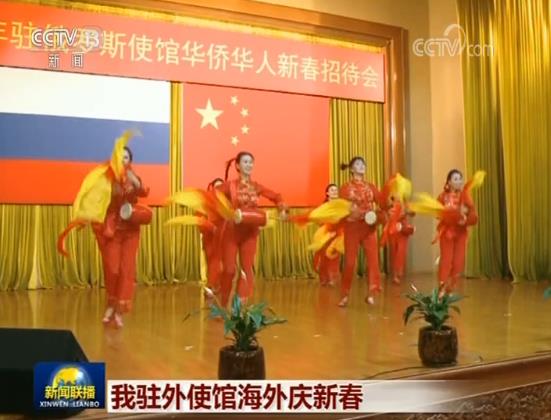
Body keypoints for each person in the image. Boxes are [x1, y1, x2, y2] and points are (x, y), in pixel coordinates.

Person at [217, 151, 287, 306]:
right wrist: (226, 211)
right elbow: (213, 196)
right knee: (229, 270)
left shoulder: (256, 187)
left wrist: (282, 208)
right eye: (245, 162)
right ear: (237, 166)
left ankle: (239, 306)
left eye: (251, 162)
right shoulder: (230, 186)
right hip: (232, 232)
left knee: (246, 269)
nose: (249, 165)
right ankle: (222, 304)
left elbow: (276, 196)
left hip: (250, 232)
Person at [92, 146, 151, 328]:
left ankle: (118, 310)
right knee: (113, 269)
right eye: (120, 157)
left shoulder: (133, 176)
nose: (123, 160)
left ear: (130, 161)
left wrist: (135, 182)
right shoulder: (107, 178)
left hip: (130, 229)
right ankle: (111, 303)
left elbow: (143, 192)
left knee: (126, 270)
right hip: (112, 228)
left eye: (126, 157)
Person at [338, 156, 386, 307]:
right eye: (358, 164)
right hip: (352, 227)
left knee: (373, 261)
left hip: (368, 228)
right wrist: (358, 213)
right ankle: (345, 295)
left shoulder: (371, 187)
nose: (362, 166)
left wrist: (390, 202)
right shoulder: (345, 188)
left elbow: (382, 202)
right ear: (351, 169)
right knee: (350, 263)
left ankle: (372, 293)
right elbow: (345, 208)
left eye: (363, 164)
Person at [436, 169, 478, 293]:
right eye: (455, 179)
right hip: (447, 233)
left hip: (461, 233)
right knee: (446, 260)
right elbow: (437, 213)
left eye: (460, 179)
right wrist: (448, 214)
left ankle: (451, 285)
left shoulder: (466, 197)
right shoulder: (442, 197)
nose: (459, 181)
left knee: (458, 263)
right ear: (449, 182)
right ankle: (442, 286)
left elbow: (474, 217)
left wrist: (465, 219)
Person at [313, 184, 342, 286]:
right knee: (324, 256)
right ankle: (324, 278)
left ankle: (332, 278)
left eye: (336, 190)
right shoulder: (323, 206)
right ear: (327, 193)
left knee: (334, 256)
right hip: (325, 234)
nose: (334, 192)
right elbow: (318, 220)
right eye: (332, 190)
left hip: (337, 234)